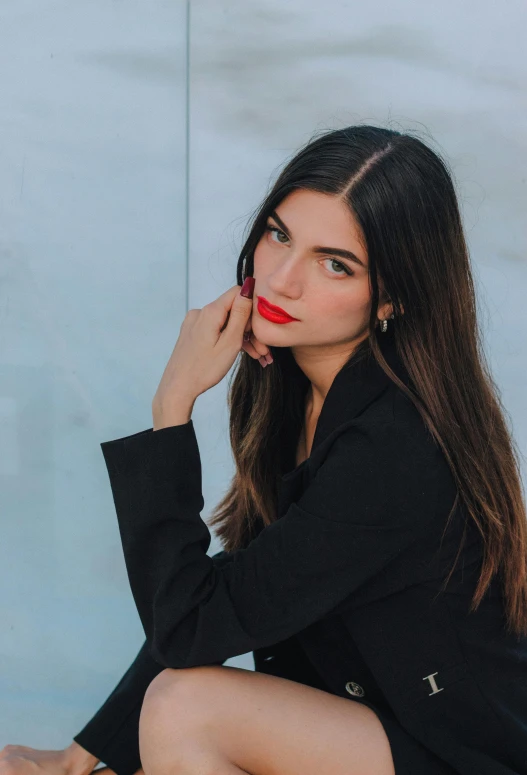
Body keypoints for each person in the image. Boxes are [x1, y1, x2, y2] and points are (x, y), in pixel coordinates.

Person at [2, 125, 526, 775]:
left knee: (184, 708)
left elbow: (192, 625)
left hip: (454, 753)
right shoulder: (298, 388)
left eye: (335, 263)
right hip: (365, 729)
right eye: (278, 234)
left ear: (392, 296)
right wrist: (84, 757)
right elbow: (236, 590)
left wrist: (171, 409)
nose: (279, 279)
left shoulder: (394, 447)